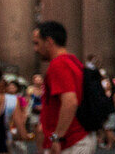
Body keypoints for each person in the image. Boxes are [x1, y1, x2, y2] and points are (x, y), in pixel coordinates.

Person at [32, 20, 95, 154]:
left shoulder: (59, 65)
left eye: (37, 43)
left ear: (49, 42)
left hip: (70, 143)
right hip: (75, 140)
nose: (35, 49)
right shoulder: (73, 61)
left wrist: (56, 138)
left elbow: (70, 102)